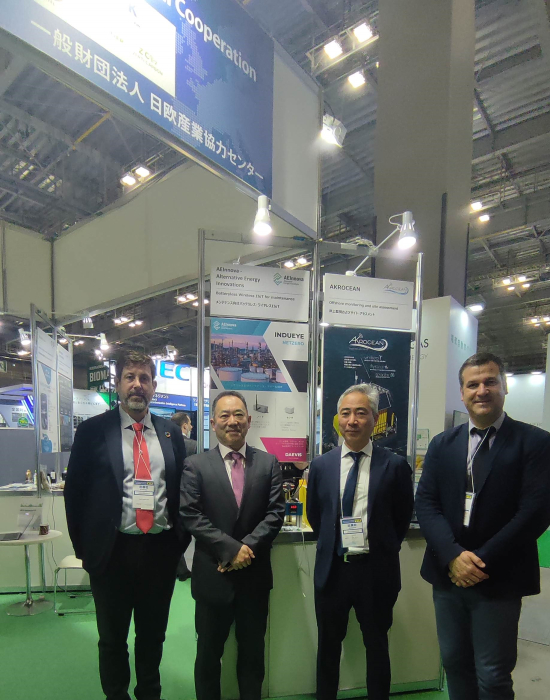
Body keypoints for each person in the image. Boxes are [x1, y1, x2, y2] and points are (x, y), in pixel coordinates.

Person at [415, 351, 550, 700]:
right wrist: (453, 557)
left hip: (499, 578)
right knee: (455, 663)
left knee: (492, 674)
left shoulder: (534, 443)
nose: (482, 390)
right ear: (461, 393)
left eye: (490, 381)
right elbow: (427, 504)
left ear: (504, 387)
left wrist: (479, 561)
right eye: (472, 384)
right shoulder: (442, 445)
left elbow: (534, 512)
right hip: (448, 577)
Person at [65, 350, 187, 700]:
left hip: (159, 553)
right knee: (112, 639)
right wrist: (86, 552)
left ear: (154, 386)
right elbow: (74, 495)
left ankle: (149, 693)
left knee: (153, 637)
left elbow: (179, 493)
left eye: (144, 378)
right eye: (130, 377)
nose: (137, 385)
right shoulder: (92, 432)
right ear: (117, 384)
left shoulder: (169, 434)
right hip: (112, 553)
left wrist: (176, 543)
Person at [307, 383, 414, 700]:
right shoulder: (321, 466)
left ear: (375, 418)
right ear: (337, 419)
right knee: (328, 645)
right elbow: (316, 515)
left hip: (375, 573)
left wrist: (379, 549)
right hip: (333, 572)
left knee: (377, 645)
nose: (352, 420)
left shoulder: (394, 466)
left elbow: (401, 519)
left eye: (361, 413)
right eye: (345, 413)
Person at [180, 390, 284, 700]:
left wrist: (245, 549)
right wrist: (230, 549)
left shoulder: (268, 463)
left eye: (239, 414)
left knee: (253, 655)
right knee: (209, 655)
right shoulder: (195, 465)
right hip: (214, 577)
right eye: (224, 415)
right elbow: (190, 515)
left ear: (249, 421)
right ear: (213, 422)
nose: (232, 421)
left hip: (253, 579)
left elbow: (275, 513)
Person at [171, 412, 197, 581]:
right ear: (184, 426)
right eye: (190, 423)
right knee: (184, 533)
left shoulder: (164, 443)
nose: (192, 427)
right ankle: (177, 567)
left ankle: (178, 568)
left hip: (169, 497)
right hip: (188, 496)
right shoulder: (194, 446)